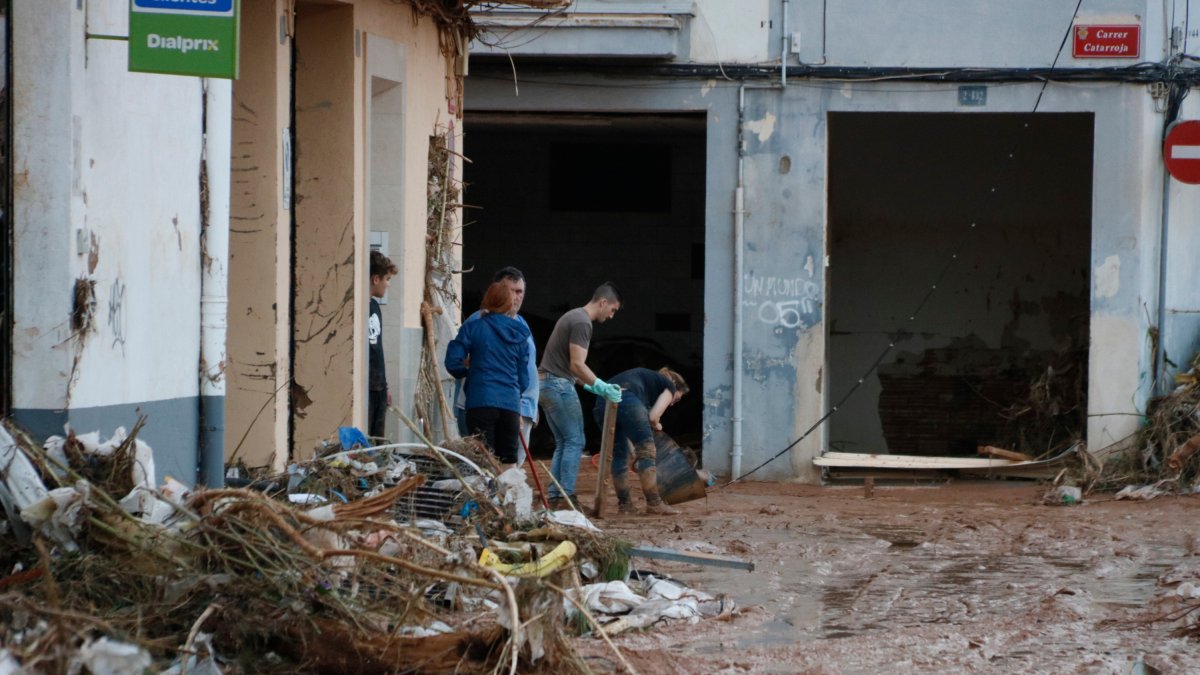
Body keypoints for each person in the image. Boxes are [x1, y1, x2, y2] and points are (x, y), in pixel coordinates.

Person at [539, 282, 624, 510]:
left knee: (564, 442)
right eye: (613, 310)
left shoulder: (573, 316)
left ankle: (556, 497)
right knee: (576, 441)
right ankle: (565, 498)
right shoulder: (582, 322)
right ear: (603, 302)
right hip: (557, 385)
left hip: (547, 383)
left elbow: (568, 366)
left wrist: (592, 387)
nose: (612, 316)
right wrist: (602, 386)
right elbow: (577, 365)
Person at [453, 267, 538, 463]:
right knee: (486, 464)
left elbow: (528, 369)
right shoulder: (477, 322)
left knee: (511, 467)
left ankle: (504, 494)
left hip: (518, 408)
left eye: (520, 292)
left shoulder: (522, 325)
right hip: (483, 404)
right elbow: (458, 361)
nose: (515, 297)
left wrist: (531, 406)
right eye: (510, 291)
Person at [593, 367, 689, 515]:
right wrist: (657, 425)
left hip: (602, 402)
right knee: (647, 451)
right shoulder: (669, 385)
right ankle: (654, 503)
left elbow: (629, 431)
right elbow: (652, 417)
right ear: (675, 385)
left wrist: (634, 453)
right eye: (677, 398)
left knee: (618, 455)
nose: (672, 403)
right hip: (627, 398)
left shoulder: (643, 384)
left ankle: (625, 505)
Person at [368, 250, 397, 440]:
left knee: (377, 440)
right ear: (375, 279)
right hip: (367, 386)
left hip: (378, 386)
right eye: (386, 278)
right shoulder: (361, 306)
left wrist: (385, 386)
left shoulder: (375, 306)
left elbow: (378, 350)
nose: (388, 284)